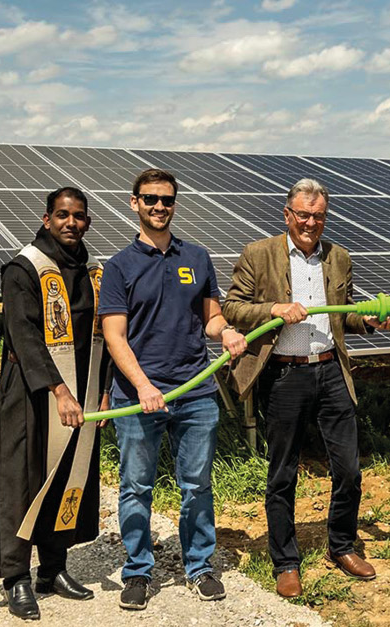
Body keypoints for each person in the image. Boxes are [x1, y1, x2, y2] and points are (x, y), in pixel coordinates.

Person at [223, 178, 390, 598]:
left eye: (318, 216)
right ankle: (286, 562)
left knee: (349, 469)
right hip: (284, 376)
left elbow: (344, 314)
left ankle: (341, 545)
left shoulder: (339, 257)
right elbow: (232, 307)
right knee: (283, 473)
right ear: (288, 215)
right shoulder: (258, 254)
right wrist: (275, 309)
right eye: (303, 215)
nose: (310, 223)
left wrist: (367, 320)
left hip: (331, 370)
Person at [99, 168, 247, 611]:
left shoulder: (197, 257)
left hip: (196, 392)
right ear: (134, 203)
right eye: (150, 199)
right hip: (138, 396)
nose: (159, 207)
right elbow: (114, 335)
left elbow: (212, 317)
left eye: (166, 200)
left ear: (174, 204)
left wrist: (227, 333)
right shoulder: (118, 267)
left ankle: (199, 566)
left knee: (197, 484)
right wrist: (143, 386)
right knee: (136, 486)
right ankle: (138, 572)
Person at [0, 187, 108, 620]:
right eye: (62, 215)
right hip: (34, 393)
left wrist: (103, 387)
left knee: (68, 477)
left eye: (78, 216)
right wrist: (58, 390)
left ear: (88, 222)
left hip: (82, 391)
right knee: (25, 479)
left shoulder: (93, 271)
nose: (70, 223)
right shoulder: (24, 268)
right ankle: (16, 576)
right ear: (46, 219)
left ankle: (53, 568)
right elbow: (24, 336)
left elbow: (104, 335)